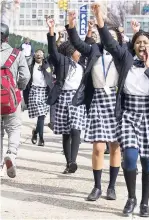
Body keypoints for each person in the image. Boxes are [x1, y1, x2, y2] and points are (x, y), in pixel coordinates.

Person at [93, 3, 149, 217]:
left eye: (145, 42)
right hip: (128, 115)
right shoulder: (126, 59)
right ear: (134, 46)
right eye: (138, 43)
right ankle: (131, 198)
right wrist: (100, 20)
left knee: (148, 162)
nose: (142, 45)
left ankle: (144, 203)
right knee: (129, 157)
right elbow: (109, 43)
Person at [66, 11, 122, 201]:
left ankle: (112, 187)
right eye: (106, 35)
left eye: (113, 36)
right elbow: (78, 44)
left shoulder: (122, 55)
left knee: (115, 146)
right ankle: (97, 186)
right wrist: (71, 26)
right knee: (98, 148)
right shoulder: (94, 51)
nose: (109, 39)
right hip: (98, 101)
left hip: (115, 102)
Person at [46, 16, 86, 174]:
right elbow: (52, 50)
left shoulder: (82, 65)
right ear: (71, 51)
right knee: (66, 132)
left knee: (76, 129)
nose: (79, 53)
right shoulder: (62, 61)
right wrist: (51, 31)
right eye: (77, 50)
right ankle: (69, 162)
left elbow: (89, 46)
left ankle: (73, 161)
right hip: (63, 97)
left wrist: (88, 31)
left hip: (77, 98)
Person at [1, 23, 30, 178]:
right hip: (11, 98)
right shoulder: (16, 54)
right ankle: (11, 154)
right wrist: (17, 88)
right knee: (14, 128)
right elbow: (25, 76)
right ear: (7, 37)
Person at [23, 49, 54, 147]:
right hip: (34, 92)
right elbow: (26, 84)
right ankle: (40, 137)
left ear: (44, 56)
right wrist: (26, 99)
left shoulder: (48, 65)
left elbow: (53, 51)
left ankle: (37, 134)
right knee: (41, 115)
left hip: (45, 92)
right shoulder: (30, 67)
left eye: (41, 53)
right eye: (37, 53)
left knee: (42, 116)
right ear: (34, 56)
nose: (39, 54)